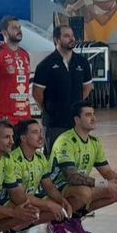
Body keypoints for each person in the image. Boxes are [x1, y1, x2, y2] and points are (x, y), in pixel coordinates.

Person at [47, 101, 117, 233]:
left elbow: (107, 171)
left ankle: (73, 219)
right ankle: (55, 224)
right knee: (85, 192)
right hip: (54, 188)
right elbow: (72, 177)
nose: (93, 118)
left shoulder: (94, 142)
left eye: (93, 114)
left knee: (116, 191)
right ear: (77, 120)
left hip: (76, 187)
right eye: (88, 115)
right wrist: (104, 183)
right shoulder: (65, 141)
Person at [7, 119, 72, 233]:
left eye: (41, 132)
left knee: (56, 204)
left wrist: (62, 200)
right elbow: (19, 196)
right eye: (35, 132)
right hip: (10, 201)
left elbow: (48, 186)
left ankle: (21, 230)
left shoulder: (40, 158)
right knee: (36, 208)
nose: (41, 136)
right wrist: (48, 205)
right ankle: (9, 232)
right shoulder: (13, 160)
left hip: (26, 200)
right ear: (23, 138)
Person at [32, 24, 92, 154]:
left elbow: (87, 87)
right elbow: (37, 94)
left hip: (76, 122)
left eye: (72, 35)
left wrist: (76, 104)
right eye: (66, 36)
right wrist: (49, 109)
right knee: (54, 160)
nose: (71, 38)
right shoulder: (45, 65)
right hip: (54, 123)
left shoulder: (82, 62)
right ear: (56, 40)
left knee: (75, 157)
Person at [0, 15, 34, 125]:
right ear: (4, 33)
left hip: (25, 119)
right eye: (14, 28)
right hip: (3, 119)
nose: (19, 30)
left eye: (19, 27)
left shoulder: (25, 54)